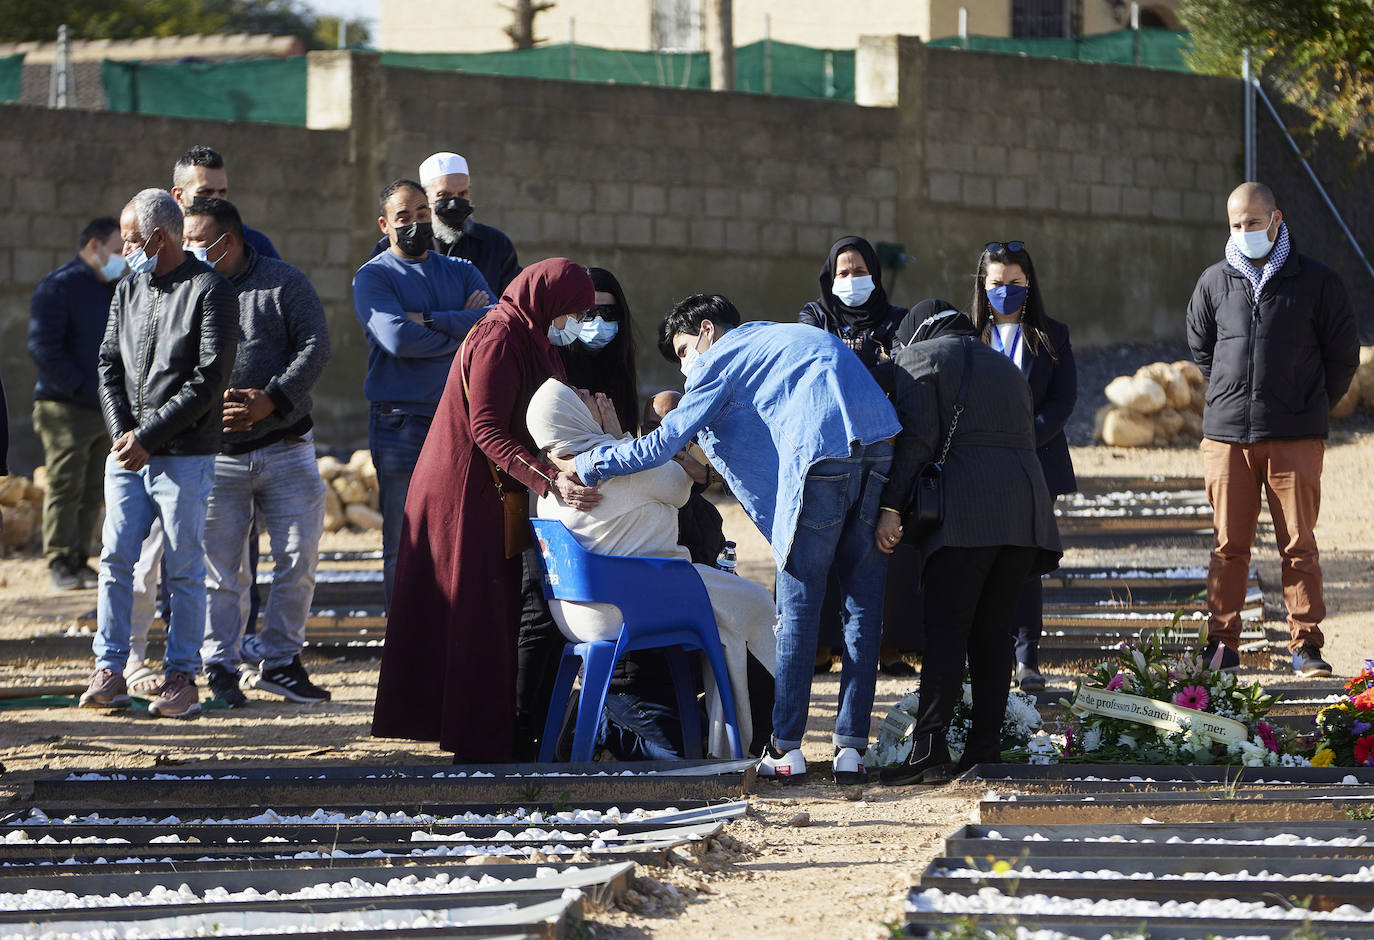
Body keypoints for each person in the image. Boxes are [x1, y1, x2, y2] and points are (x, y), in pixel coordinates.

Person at [563, 294, 901, 785]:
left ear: (705, 330)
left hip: (821, 460)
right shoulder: (783, 335)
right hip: (877, 448)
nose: (685, 368)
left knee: (798, 609)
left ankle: (786, 749)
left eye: (682, 351)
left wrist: (589, 464)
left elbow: (665, 441)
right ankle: (852, 751)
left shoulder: (720, 359)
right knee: (863, 609)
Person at [371, 258, 601, 761]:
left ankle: (491, 734)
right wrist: (548, 479)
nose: (575, 325)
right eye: (572, 313)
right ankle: (476, 740)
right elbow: (487, 428)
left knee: (497, 613)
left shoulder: (532, 336)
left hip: (498, 489)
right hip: (467, 491)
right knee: (478, 612)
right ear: (549, 303)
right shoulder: (500, 337)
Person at [527, 378, 777, 758]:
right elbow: (678, 483)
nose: (595, 396)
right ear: (570, 415)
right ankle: (753, 738)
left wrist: (616, 440)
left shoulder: (554, 481)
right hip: (633, 602)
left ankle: (723, 732)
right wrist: (619, 438)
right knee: (757, 605)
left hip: (579, 613)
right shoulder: (609, 464)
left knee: (730, 611)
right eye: (580, 398)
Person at [874, 309, 1062, 786]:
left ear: (914, 334)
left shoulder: (919, 359)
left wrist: (892, 507)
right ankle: (985, 750)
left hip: (965, 513)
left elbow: (917, 443)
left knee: (947, 632)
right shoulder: (1006, 365)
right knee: (993, 632)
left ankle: (929, 748)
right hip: (1024, 510)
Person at [78, 189, 238, 719]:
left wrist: (149, 436)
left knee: (184, 568)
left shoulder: (209, 289)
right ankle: (110, 668)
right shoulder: (128, 287)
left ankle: (180, 677)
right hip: (129, 455)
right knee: (116, 560)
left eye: (129, 239)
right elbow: (107, 365)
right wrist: (125, 433)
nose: (123, 248)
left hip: (184, 454)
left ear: (157, 237)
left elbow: (208, 378)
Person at [1187, 181, 1357, 679]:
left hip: (1294, 437)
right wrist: (1230, 396)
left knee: (1298, 543)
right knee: (1227, 545)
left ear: (1276, 219)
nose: (1244, 233)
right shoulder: (1214, 281)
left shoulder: (1318, 282)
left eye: (1253, 223)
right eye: (1235, 225)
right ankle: (1222, 647)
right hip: (1227, 437)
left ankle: (1306, 646)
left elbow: (1342, 356)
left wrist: (1309, 405)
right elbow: (1203, 348)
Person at [182, 197, 332, 707]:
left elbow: (316, 345)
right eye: (185, 242)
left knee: (297, 559)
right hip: (216, 458)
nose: (190, 250)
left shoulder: (283, 282)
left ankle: (281, 661)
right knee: (222, 570)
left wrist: (272, 401)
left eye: (199, 242)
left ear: (231, 242)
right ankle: (220, 666)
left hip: (287, 448)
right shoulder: (184, 289)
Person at [514, 265, 642, 758]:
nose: (596, 323)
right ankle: (523, 733)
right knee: (539, 614)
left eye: (607, 313)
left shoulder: (619, 371)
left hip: (609, 512)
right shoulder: (554, 363)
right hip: (555, 502)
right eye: (587, 313)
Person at [353, 178, 495, 607]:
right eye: (403, 218)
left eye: (420, 214)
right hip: (401, 423)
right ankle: (403, 645)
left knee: (458, 534)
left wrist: (428, 318)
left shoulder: (462, 269)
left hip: (459, 421)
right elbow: (396, 339)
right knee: (405, 540)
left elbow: (492, 326)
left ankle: (447, 637)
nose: (415, 224)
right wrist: (460, 328)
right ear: (384, 225)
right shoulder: (373, 277)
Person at [800, 235, 919, 676]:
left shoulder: (899, 320)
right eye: (843, 273)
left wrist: (856, 367)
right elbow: (815, 368)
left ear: (876, 274)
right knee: (821, 545)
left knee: (884, 543)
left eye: (861, 271)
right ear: (830, 278)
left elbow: (903, 375)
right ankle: (820, 645)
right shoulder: (814, 316)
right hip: (829, 450)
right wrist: (872, 367)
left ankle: (890, 645)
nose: (852, 280)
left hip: (885, 449)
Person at [968, 240, 1077, 693]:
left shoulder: (1052, 335)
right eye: (997, 283)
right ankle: (982, 656)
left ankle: (1026, 658)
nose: (1006, 291)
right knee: (979, 564)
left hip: (1034, 462)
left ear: (1028, 284)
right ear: (983, 285)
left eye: (1015, 282)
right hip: (977, 466)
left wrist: (1024, 438)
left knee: (1026, 563)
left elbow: (1063, 400)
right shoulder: (967, 337)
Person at [27, 217, 125, 591]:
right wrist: (83, 387)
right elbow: (43, 348)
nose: (122, 258)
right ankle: (59, 562)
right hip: (65, 408)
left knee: (91, 490)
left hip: (104, 410)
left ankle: (80, 558)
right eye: (116, 251)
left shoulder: (112, 288)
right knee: (65, 486)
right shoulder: (59, 287)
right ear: (94, 247)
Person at [369, 152, 521, 295]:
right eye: (444, 195)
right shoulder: (393, 247)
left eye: (462, 194)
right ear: (424, 195)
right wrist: (467, 314)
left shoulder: (495, 244)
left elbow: (513, 304)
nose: (455, 203)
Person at [171, 145, 280, 259]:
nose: (217, 199)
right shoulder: (161, 241)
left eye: (222, 192)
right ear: (179, 196)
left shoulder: (253, 244)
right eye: (205, 192)